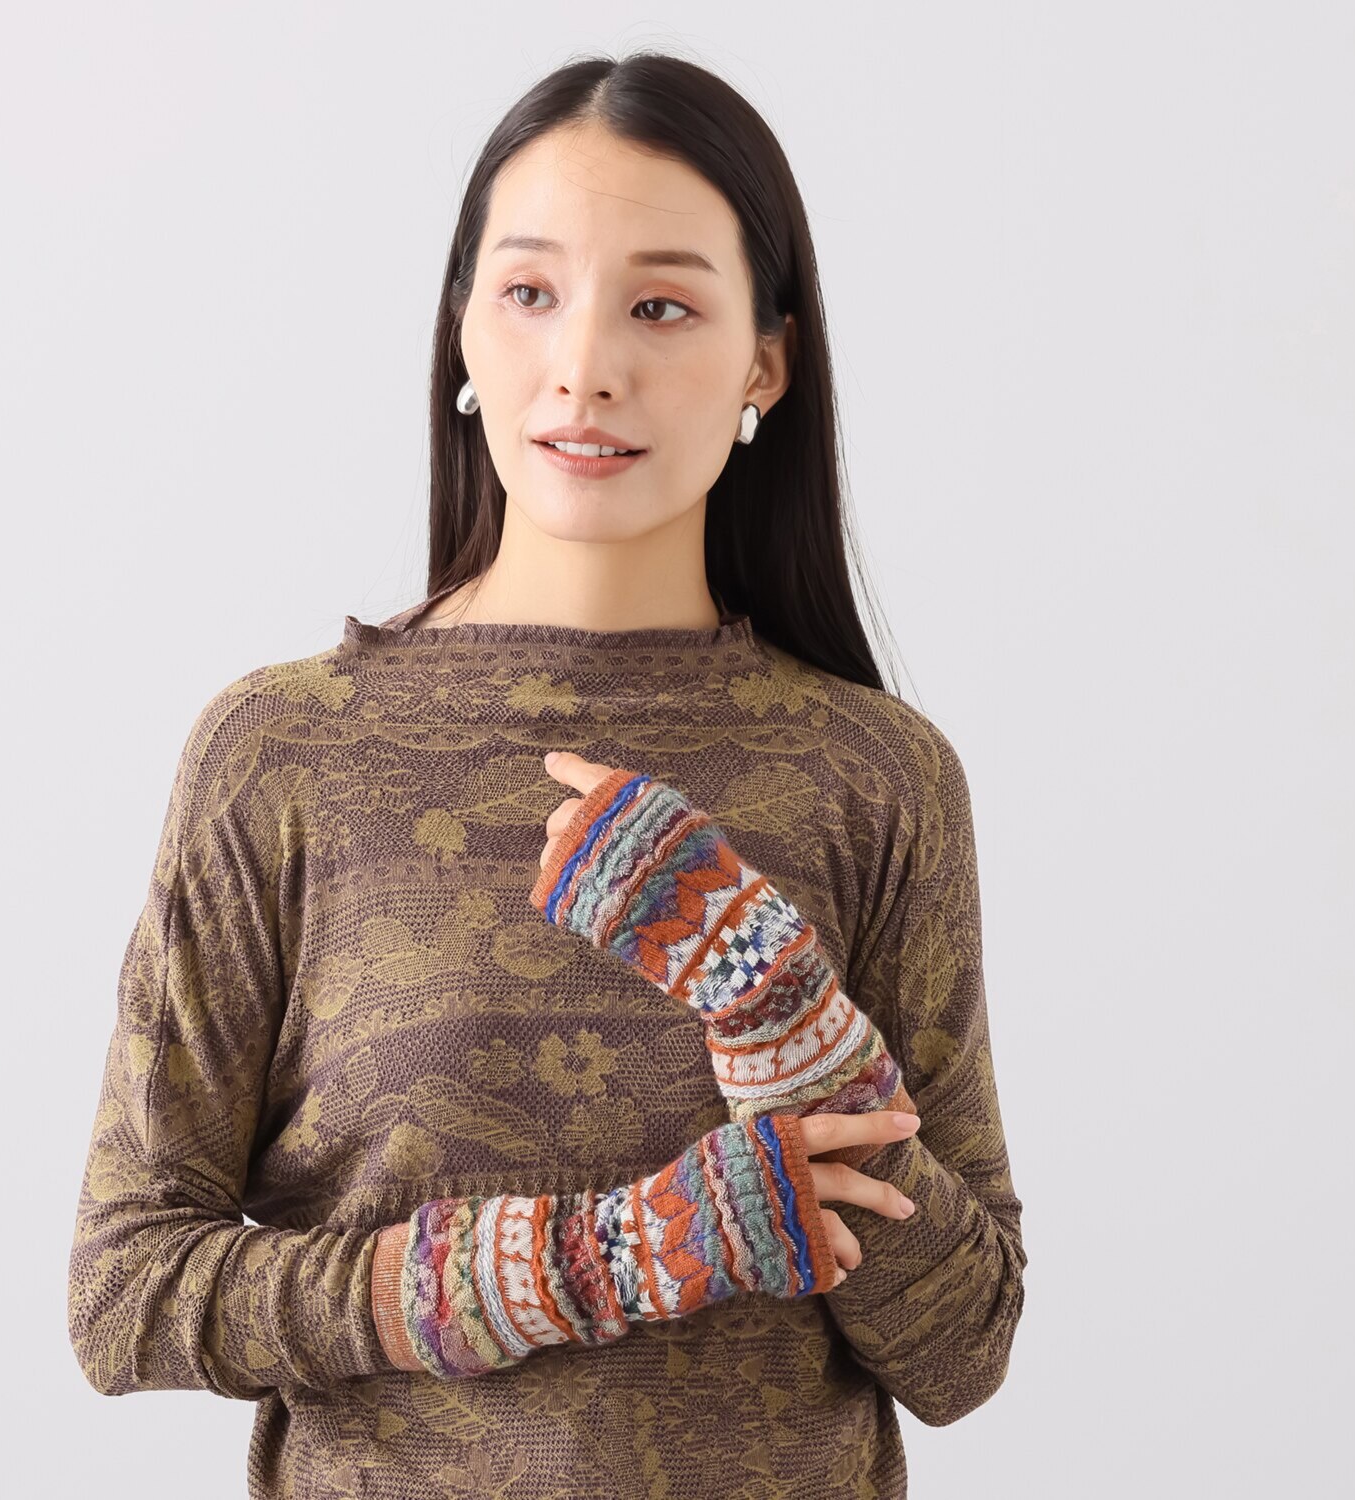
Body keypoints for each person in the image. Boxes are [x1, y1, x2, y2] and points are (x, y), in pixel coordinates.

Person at [67, 49, 1026, 1499]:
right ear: (463, 330)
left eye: (661, 306)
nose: (585, 364)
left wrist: (779, 1014)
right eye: (530, 293)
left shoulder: (877, 776)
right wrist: (595, 1261)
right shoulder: (284, 754)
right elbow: (126, 1292)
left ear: (765, 362)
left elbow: (962, 1351)